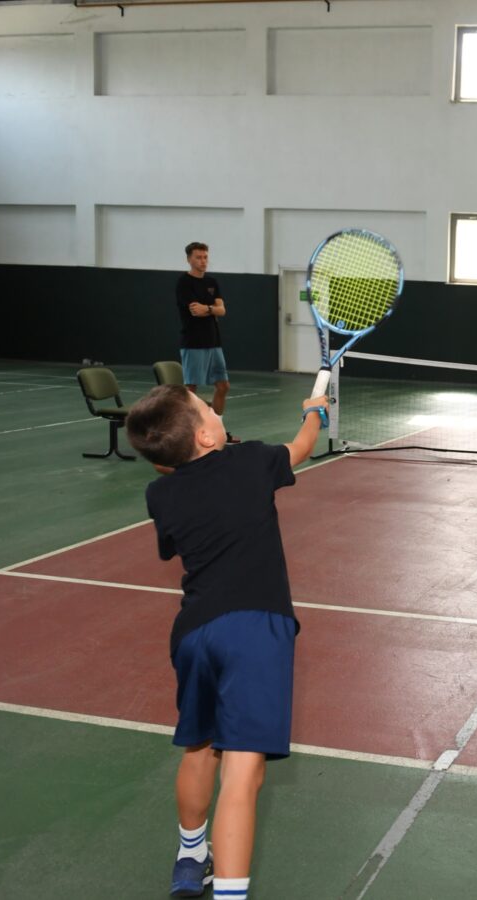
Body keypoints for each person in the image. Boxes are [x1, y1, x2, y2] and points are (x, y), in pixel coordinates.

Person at [124, 384, 326, 899]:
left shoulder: (160, 495)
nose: (215, 409)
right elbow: (302, 447)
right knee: (242, 773)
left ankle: (191, 857)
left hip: (194, 635)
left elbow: (173, 469)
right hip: (255, 630)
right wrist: (314, 414)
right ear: (206, 435)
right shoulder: (251, 460)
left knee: (200, 747)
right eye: (206, 408)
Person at [177, 242, 239, 444]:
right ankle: (185, 434)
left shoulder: (212, 282)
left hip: (214, 342)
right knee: (190, 390)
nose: (203, 261)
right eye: (198, 257)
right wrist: (212, 308)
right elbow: (195, 310)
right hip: (193, 343)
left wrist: (209, 309)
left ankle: (217, 429)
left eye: (205, 257)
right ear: (189, 259)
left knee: (223, 386)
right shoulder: (184, 283)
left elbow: (222, 310)